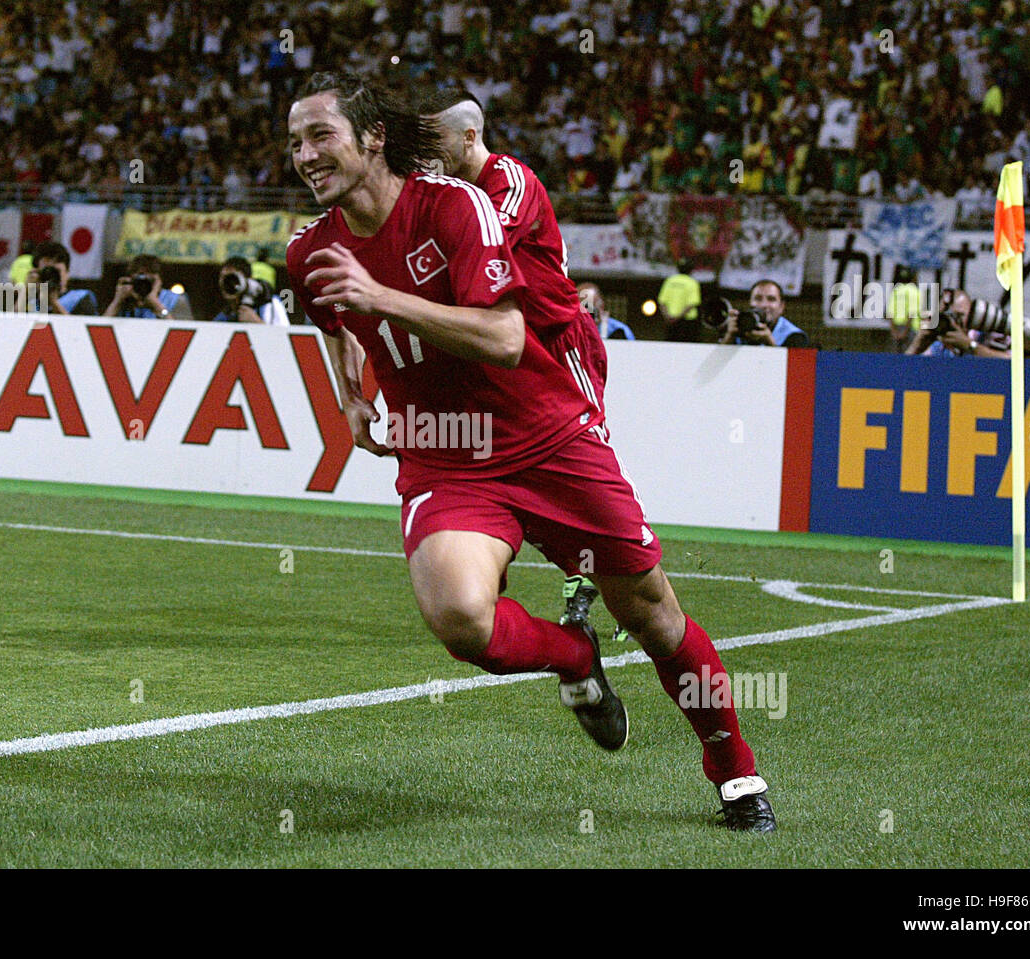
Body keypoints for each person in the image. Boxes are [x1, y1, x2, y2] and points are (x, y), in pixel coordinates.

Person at [285, 71, 775, 831]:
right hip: (443, 457)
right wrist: (348, 394)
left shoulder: (455, 205)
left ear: (372, 137)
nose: (306, 155)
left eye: (321, 136)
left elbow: (506, 337)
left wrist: (380, 299)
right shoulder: (311, 249)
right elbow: (325, 320)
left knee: (652, 614)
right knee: (458, 617)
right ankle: (573, 658)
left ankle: (736, 773)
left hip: (545, 435)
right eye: (295, 143)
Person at [420, 88, 618, 635]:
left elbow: (481, 246)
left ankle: (610, 572)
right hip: (514, 349)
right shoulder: (453, 195)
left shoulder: (510, 179)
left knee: (589, 450)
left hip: (560, 344)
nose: (427, 153)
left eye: (434, 140)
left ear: (468, 137)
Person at [906, 289, 1011, 358]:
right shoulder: (939, 346)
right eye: (946, 316)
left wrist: (970, 346)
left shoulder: (987, 333)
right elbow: (900, 374)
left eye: (958, 316)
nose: (953, 322)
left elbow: (1016, 363)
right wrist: (917, 345)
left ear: (974, 314)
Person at [719, 279, 808, 347]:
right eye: (758, 298)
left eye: (771, 299)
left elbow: (793, 370)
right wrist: (729, 336)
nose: (763, 305)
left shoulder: (795, 336)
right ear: (750, 303)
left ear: (781, 307)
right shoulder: (738, 324)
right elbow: (715, 365)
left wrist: (769, 342)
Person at [105, 253, 192, 319]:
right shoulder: (125, 300)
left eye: (148, 280)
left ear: (159, 281)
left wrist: (155, 304)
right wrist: (117, 301)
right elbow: (99, 329)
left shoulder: (176, 299)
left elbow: (184, 333)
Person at [211, 256, 290, 324]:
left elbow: (285, 338)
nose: (227, 283)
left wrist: (257, 322)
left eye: (232, 278)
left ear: (247, 280)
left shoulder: (271, 304)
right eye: (223, 277)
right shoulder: (222, 317)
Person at [27, 241, 97, 315]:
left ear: (67, 273)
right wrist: (27, 290)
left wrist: (54, 303)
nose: (51, 276)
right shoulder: (31, 299)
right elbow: (15, 321)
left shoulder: (80, 298)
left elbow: (83, 325)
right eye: (47, 271)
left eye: (56, 271)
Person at [657, 262, 701, 342]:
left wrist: (666, 316)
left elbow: (662, 301)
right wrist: (678, 317)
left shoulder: (670, 280)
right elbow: (692, 304)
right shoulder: (692, 282)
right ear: (691, 270)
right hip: (687, 322)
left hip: (670, 320)